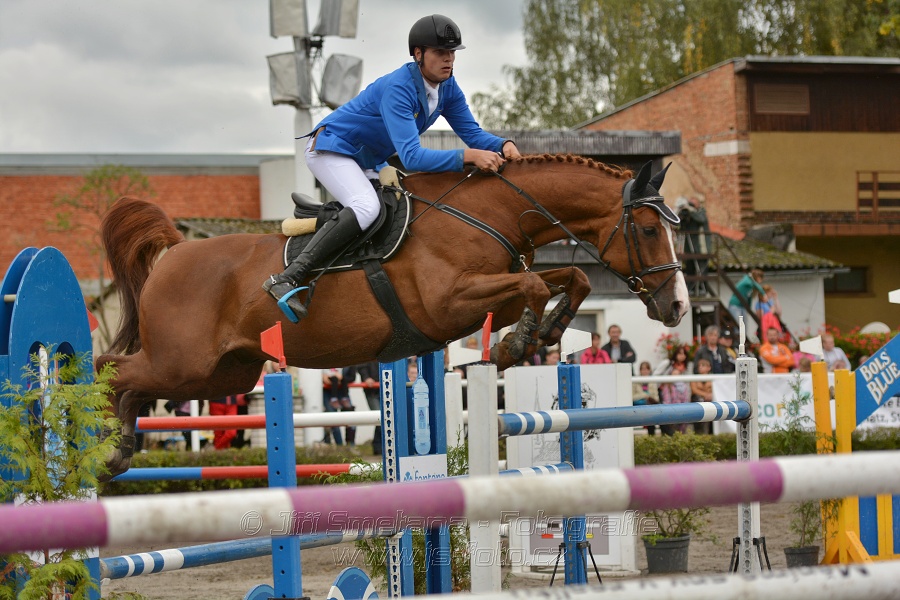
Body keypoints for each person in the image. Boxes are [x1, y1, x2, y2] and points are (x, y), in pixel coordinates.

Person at [263, 14, 521, 320]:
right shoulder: (399, 87)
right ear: (418, 54)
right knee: (366, 207)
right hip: (331, 149)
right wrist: (469, 157)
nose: (449, 60)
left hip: (367, 158)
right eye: (440, 53)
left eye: (452, 53)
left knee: (402, 205)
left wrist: (502, 144)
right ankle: (288, 277)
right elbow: (412, 157)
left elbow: (473, 135)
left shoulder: (449, 88)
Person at [353, 361, 382, 455]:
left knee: (383, 417)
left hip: (384, 387)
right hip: (372, 389)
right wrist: (366, 377)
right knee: (380, 417)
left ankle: (379, 447)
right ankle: (378, 447)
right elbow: (361, 364)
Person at [659, 364, 690, 435]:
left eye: (677, 374)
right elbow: (666, 401)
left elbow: (686, 400)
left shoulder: (684, 387)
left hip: (682, 411)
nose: (675, 376)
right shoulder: (667, 386)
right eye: (674, 374)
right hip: (671, 411)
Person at [632, 361, 660, 435]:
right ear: (640, 370)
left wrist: (647, 397)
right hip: (638, 406)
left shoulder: (652, 381)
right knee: (651, 412)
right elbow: (632, 397)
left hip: (650, 406)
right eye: (643, 369)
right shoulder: (635, 381)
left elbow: (656, 398)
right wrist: (645, 395)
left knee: (653, 411)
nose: (644, 371)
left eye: (646, 369)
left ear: (649, 370)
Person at [690, 357, 714, 434]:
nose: (700, 367)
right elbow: (694, 390)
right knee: (699, 428)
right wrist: (706, 394)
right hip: (697, 404)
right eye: (699, 365)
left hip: (710, 405)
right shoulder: (694, 378)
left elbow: (716, 389)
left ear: (709, 367)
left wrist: (710, 395)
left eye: (703, 365)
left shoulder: (713, 377)